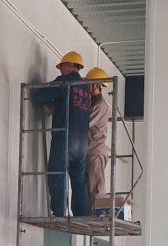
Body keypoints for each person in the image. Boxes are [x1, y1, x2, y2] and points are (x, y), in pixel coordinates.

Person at [31, 52, 91, 217]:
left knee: (57, 174)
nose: (60, 70)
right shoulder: (86, 87)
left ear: (70, 65)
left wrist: (51, 103)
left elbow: (40, 96)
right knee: (79, 180)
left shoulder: (65, 81)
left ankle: (59, 213)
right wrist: (57, 103)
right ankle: (81, 215)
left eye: (62, 66)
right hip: (83, 141)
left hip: (65, 137)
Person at [85, 67, 111, 208]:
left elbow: (85, 123)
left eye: (88, 84)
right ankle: (92, 213)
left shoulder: (100, 105)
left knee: (96, 188)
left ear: (96, 85)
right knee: (89, 186)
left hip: (95, 151)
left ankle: (99, 214)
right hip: (91, 150)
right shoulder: (94, 103)